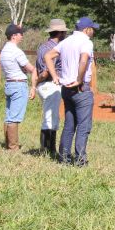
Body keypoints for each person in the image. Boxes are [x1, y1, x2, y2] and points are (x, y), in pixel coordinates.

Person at [45, 16, 99, 166]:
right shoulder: (86, 42)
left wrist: (55, 76)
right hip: (81, 89)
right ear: (86, 29)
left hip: (66, 89)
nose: (93, 32)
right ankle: (80, 160)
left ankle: (64, 158)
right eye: (92, 29)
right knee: (83, 126)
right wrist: (79, 79)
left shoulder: (66, 42)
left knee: (69, 124)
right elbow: (84, 60)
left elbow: (47, 56)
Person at [0, 23, 37, 150]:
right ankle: (13, 147)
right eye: (20, 34)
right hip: (19, 84)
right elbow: (31, 69)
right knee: (14, 117)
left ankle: (8, 144)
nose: (22, 36)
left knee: (9, 116)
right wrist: (33, 87)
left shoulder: (4, 50)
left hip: (9, 83)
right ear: (14, 36)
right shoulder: (16, 51)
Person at [34, 18, 69, 156]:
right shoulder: (54, 49)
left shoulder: (42, 47)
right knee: (51, 118)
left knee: (50, 116)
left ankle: (48, 149)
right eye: (64, 32)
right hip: (51, 84)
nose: (65, 34)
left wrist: (35, 84)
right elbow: (47, 71)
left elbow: (37, 69)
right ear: (60, 33)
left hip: (43, 85)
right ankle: (48, 150)